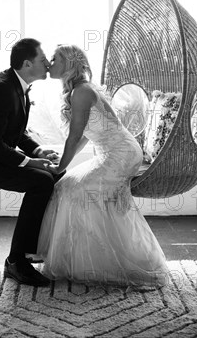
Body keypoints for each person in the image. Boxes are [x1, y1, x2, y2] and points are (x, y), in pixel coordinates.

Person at [38, 44, 169, 289]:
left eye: (55, 59)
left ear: (69, 65)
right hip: (109, 153)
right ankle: (82, 260)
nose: (49, 62)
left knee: (80, 192)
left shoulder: (83, 91)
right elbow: (85, 135)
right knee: (66, 187)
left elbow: (75, 136)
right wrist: (62, 166)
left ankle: (107, 262)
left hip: (122, 153)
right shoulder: (77, 90)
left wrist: (59, 166)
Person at [0, 38, 60, 287]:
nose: (48, 63)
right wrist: (30, 162)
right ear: (27, 64)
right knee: (40, 181)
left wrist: (38, 150)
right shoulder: (0, 89)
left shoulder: (17, 85)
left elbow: (16, 131)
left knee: (55, 175)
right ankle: (16, 262)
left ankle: (31, 251)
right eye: (42, 59)